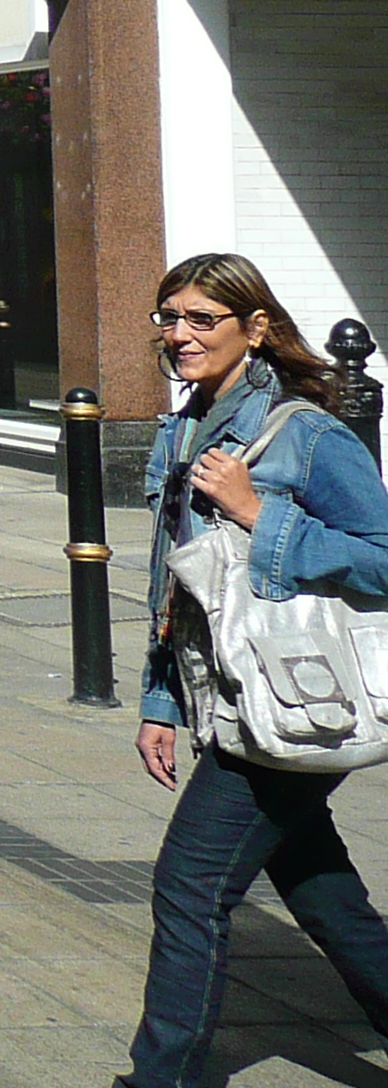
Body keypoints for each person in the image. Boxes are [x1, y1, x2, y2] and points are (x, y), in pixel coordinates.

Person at [116, 254, 388, 1085]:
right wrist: (160, 699)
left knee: (190, 884)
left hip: (294, 698)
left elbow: (381, 559)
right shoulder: (187, 423)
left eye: (203, 319)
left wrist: (261, 515)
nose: (180, 334)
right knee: (317, 886)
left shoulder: (303, 431)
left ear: (255, 327)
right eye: (170, 317)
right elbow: (179, 583)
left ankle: (163, 1078)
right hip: (231, 692)